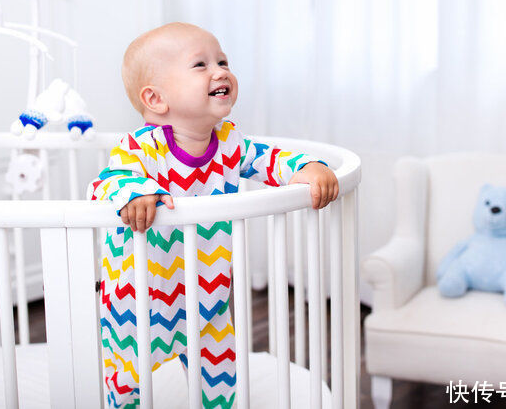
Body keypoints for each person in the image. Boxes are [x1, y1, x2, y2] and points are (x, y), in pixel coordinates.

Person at [88, 22, 339, 408]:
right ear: (155, 98)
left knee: (221, 379)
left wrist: (307, 168)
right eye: (200, 65)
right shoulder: (140, 148)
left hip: (209, 296)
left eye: (222, 61)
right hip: (139, 298)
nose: (220, 71)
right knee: (126, 382)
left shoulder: (230, 142)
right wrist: (135, 192)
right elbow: (110, 179)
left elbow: (270, 159)